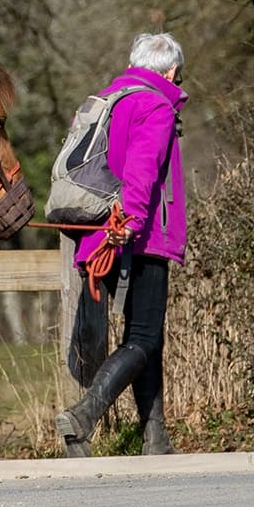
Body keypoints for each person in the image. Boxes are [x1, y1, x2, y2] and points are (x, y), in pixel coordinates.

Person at [56, 31, 187, 456]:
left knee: (144, 338)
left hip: (100, 236)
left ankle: (156, 438)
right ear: (171, 70)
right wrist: (130, 222)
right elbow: (142, 169)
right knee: (144, 338)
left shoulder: (107, 102)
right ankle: (83, 417)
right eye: (179, 75)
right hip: (137, 237)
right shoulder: (156, 105)